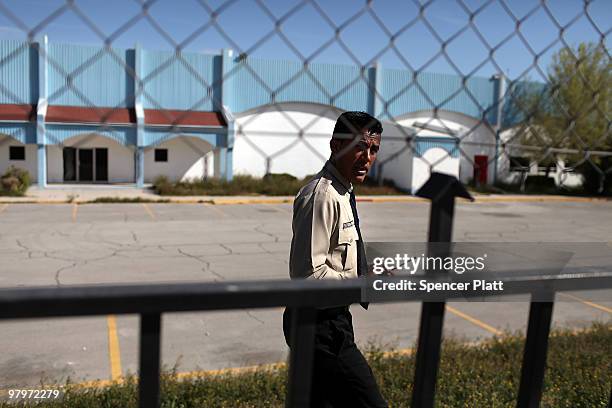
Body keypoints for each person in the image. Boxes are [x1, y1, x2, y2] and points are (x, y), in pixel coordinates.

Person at [283, 111, 388, 407]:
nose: (366, 157)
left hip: (333, 319)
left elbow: (336, 257)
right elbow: (307, 275)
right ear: (335, 146)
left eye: (373, 149)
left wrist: (368, 271)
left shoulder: (343, 193)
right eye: (359, 146)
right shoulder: (322, 196)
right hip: (319, 327)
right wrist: (362, 283)